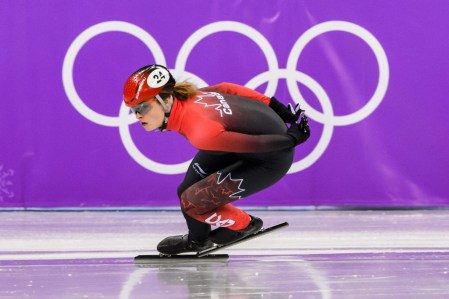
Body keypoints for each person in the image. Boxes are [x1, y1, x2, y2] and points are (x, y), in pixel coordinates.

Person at [123, 64, 310, 255]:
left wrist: (292, 139)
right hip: (243, 141)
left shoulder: (201, 132)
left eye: (143, 106)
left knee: (192, 202)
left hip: (270, 158)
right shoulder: (191, 98)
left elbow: (258, 144)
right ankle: (198, 241)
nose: (138, 115)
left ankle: (246, 224)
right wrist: (275, 106)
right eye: (133, 109)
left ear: (167, 101)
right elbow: (226, 88)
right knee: (185, 190)